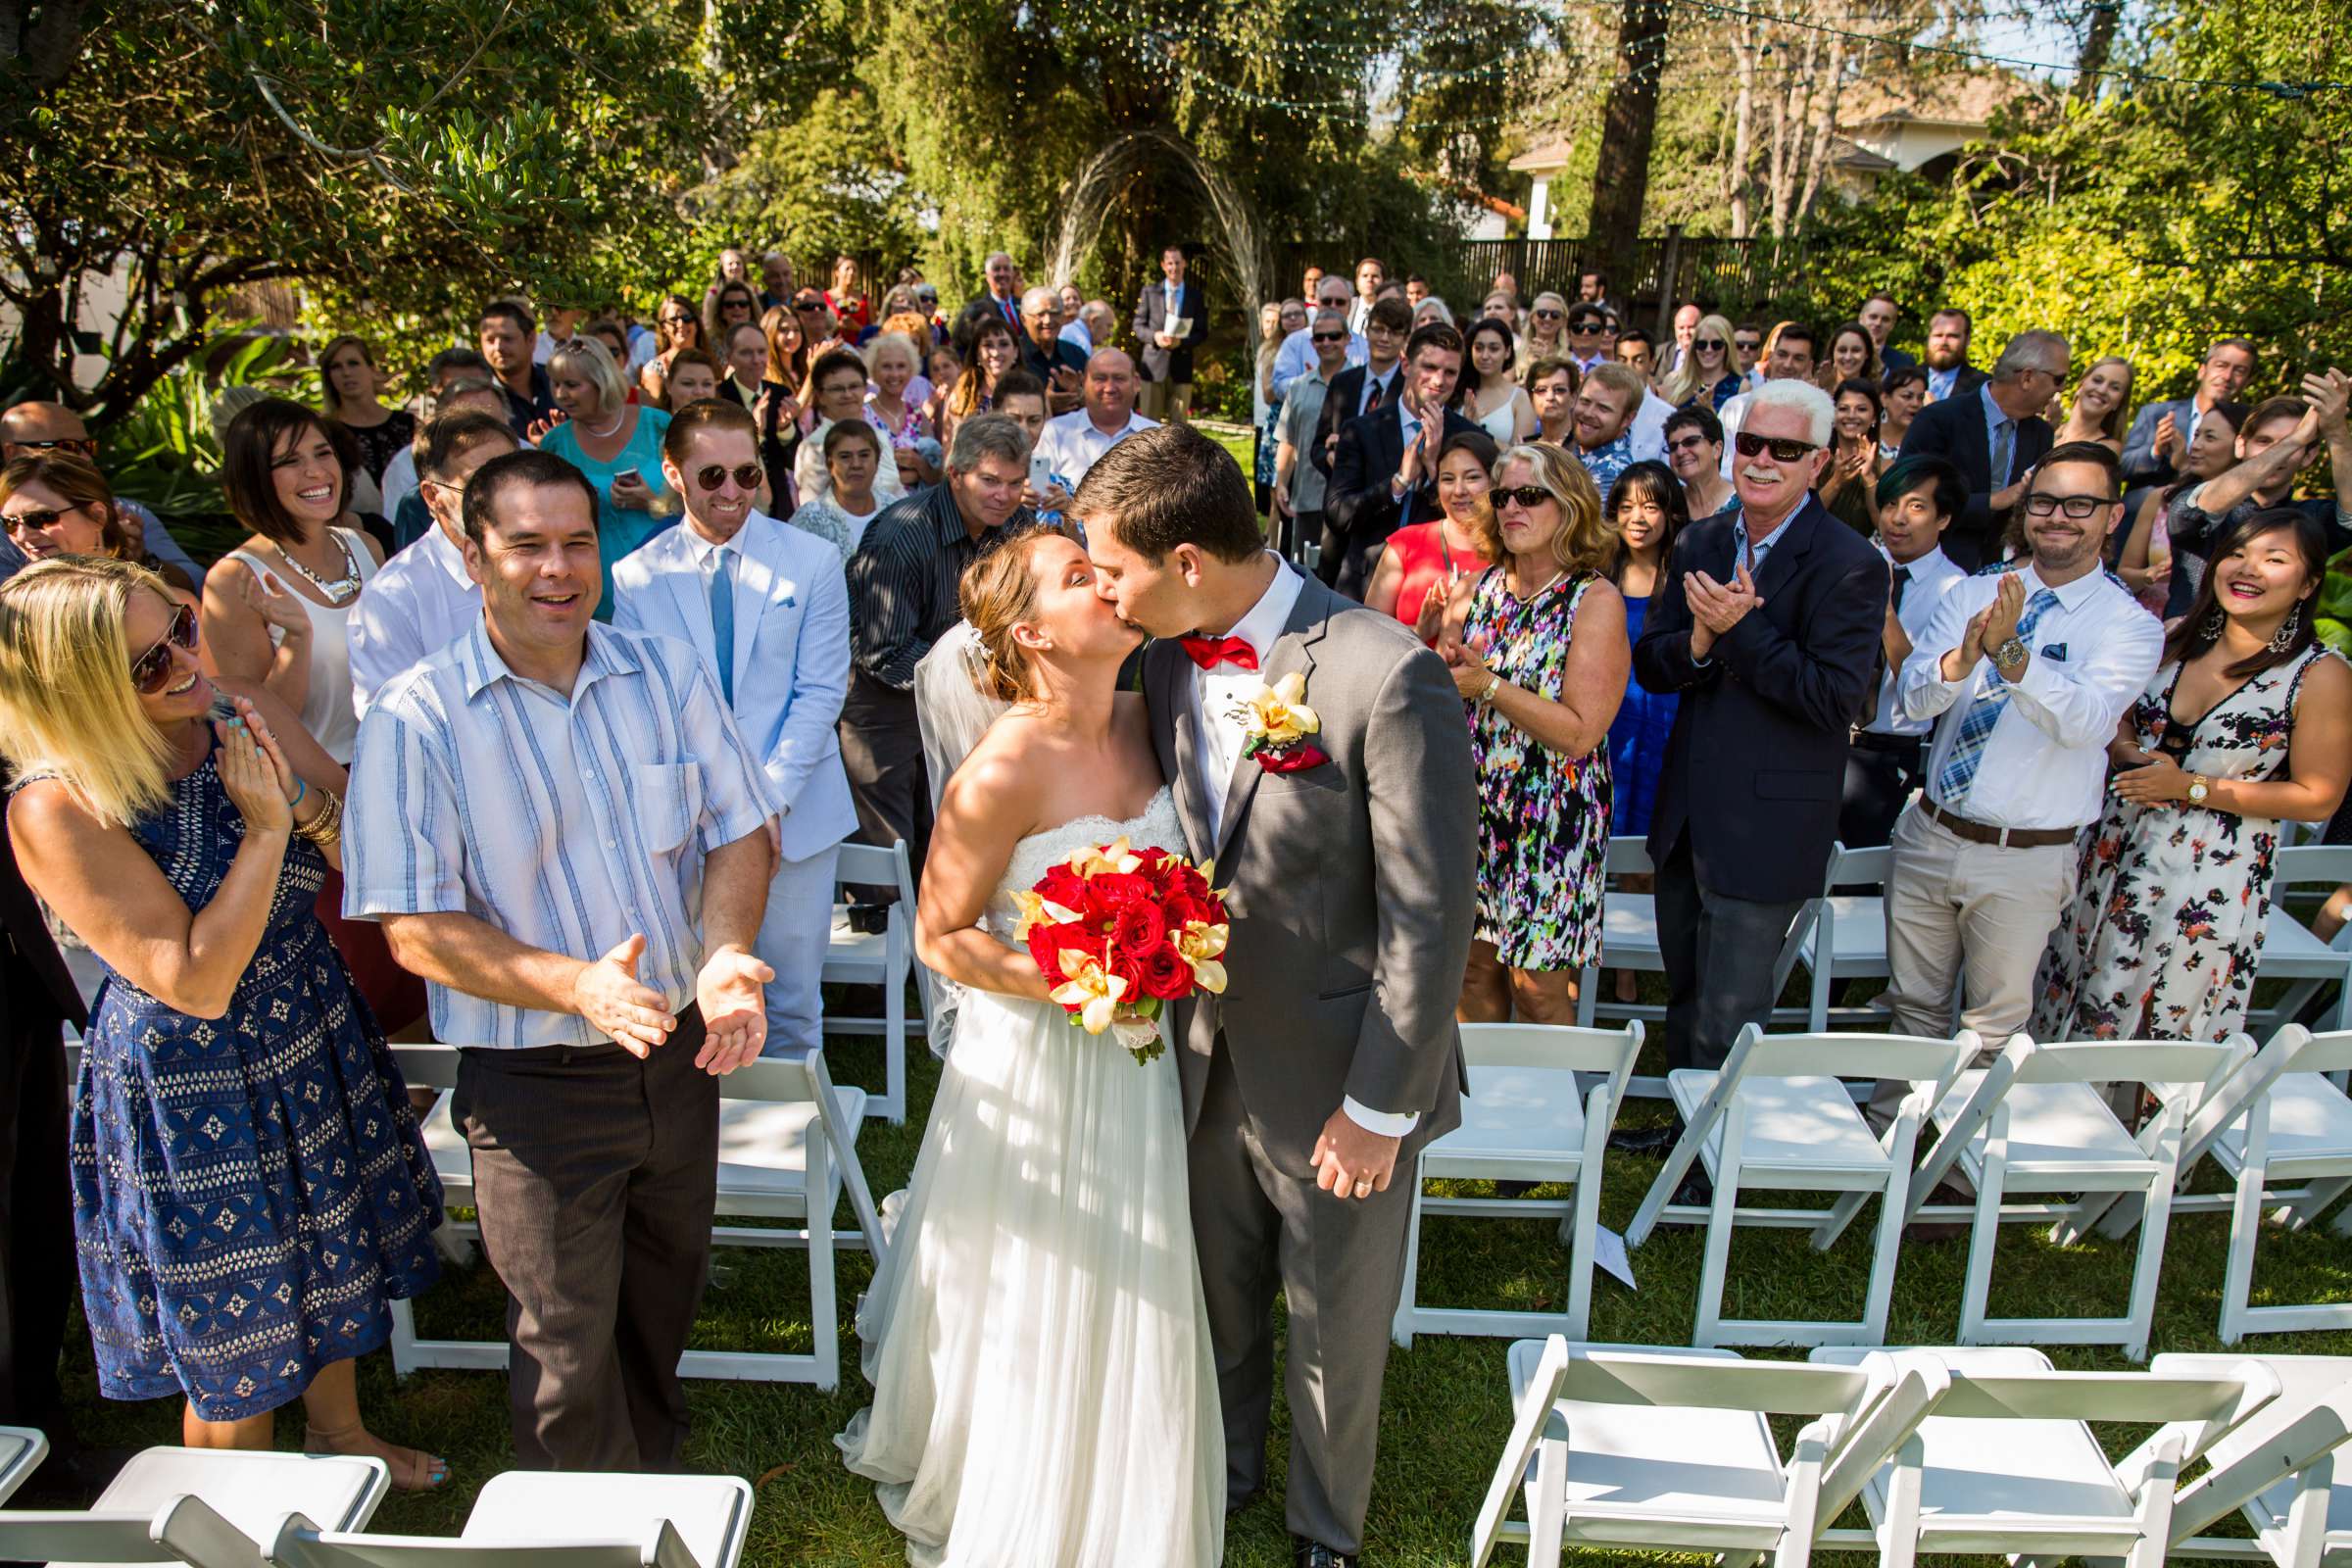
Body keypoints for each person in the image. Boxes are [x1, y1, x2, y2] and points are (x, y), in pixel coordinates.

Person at [1082, 422, 1475, 1568]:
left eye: (1113, 568)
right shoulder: (1161, 661)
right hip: (1203, 1052)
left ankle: (1324, 1529)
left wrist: (1382, 1106)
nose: (1103, 592)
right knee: (1218, 1290)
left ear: (1188, 563)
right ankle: (1226, 1473)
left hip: (1341, 1073)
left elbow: (1430, 913)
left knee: (1333, 1321)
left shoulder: (1381, 670)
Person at [346, 448, 777, 1472]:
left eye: (576, 541)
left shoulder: (662, 668)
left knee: (663, 1290)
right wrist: (578, 983)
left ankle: (652, 1484)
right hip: (536, 1084)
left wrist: (722, 956)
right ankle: (578, 1521)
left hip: (681, 1054)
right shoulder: (417, 716)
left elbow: (740, 829)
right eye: (527, 545)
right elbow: (414, 927)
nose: (558, 568)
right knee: (563, 1339)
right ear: (469, 550)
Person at [0, 557, 443, 1482]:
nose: (184, 665)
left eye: (181, 631)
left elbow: (360, 835)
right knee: (234, 1313)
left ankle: (340, 1436)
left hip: (305, 1012)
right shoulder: (57, 806)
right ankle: (233, 1512)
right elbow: (191, 978)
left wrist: (304, 808)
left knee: (331, 1243)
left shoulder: (235, 712)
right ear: (81, 693)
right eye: (146, 665)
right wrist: (269, 830)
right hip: (191, 1070)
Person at [835, 517, 1224, 1565]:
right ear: (1032, 633)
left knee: (1142, 1252)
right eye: (1074, 577)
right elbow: (940, 934)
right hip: (1043, 1063)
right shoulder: (1001, 767)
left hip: (1141, 1055)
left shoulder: (1162, 716)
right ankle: (1029, 1478)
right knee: (1047, 1265)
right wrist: (1078, 976)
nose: (1104, 585)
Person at [1878, 443, 2165, 1098]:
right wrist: (1963, 655)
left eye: (2079, 504)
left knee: (1992, 1029)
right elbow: (1917, 699)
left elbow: (2088, 723)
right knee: (1912, 1004)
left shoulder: (2128, 624)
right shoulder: (1972, 592)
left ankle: (1963, 1166)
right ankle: (1892, 1135)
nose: (2058, 516)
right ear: (2025, 509)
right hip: (1932, 832)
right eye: (2043, 501)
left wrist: (2008, 653)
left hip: (2024, 856)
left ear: (2112, 516)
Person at [1633, 379, 1887, 1073]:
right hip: (1688, 816)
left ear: (1820, 461)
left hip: (1768, 826)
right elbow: (1655, 662)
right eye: (1751, 443)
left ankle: (1711, 1169)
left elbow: (1835, 699)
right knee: (1684, 994)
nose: (1762, 460)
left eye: (1787, 448)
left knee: (1730, 1016)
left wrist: (1740, 631)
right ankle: (1688, 1146)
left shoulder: (1852, 564)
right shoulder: (1703, 541)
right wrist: (1700, 646)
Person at [2034, 508, 2352, 1043]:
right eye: (2237, 553)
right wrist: (2129, 749)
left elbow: (2318, 797)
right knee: (2073, 984)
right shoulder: (2176, 635)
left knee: (2159, 1020)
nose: (2248, 569)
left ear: (2308, 583)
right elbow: (2118, 716)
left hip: (2210, 873)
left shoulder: (2320, 675)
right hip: (2113, 845)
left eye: (2274, 560)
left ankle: (2138, 1126)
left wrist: (2192, 789)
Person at [613, 400, 857, 1057]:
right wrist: (718, 805)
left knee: (792, 994)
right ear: (673, 473)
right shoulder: (636, 575)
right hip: (690, 819)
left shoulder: (811, 561)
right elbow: (652, 703)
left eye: (747, 476)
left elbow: (820, 692)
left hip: (797, 812)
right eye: (713, 476)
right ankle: (716, 1142)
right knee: (704, 992)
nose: (732, 492)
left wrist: (764, 801)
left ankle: (804, 1145)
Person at [1444, 443, 1627, 1025]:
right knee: (1470, 974)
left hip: (1552, 817)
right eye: (1502, 497)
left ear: (1568, 505)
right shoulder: (1475, 591)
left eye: (1530, 495)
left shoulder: (1594, 600)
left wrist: (1489, 687)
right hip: (1473, 809)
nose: (1511, 508)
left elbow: (1580, 734)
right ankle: (1486, 1113)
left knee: (1539, 989)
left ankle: (1555, 1114)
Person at [843, 414, 1036, 871]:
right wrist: (976, 682)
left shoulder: (1018, 526)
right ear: (954, 474)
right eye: (990, 481)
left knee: (953, 843)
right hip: (887, 712)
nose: (1003, 496)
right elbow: (881, 650)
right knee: (888, 857)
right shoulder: (901, 533)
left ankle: (941, 938)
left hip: (980, 704)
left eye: (1015, 483)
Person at [201, 399, 385, 763]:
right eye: (291, 461)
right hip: (321, 787)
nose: (316, 472)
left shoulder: (366, 548)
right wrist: (296, 641)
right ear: (254, 477)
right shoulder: (234, 579)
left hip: (402, 761)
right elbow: (259, 726)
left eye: (322, 454)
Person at [347, 410, 514, 719]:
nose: (503, 497)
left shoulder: (549, 560)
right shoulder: (393, 598)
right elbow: (392, 725)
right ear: (433, 496)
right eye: (480, 483)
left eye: (514, 477)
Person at [1838, 456, 1969, 849]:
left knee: (1851, 884)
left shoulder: (1956, 590)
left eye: (1915, 506)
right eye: (1890, 503)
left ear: (1943, 518)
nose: (1896, 518)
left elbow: (1924, 689)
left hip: (1885, 755)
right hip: (1826, 740)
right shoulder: (1857, 562)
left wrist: (1886, 611)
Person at [2159, 376, 2352, 605]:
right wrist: (2296, 439)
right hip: (2191, 636)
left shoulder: (2312, 518)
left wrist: (2337, 430)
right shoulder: (2199, 500)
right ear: (2241, 445)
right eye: (2264, 441)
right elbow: (2200, 509)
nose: (2275, 453)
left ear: (2309, 456)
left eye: (2292, 444)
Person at [1324, 321, 1479, 599]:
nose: (1438, 380)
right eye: (1429, 367)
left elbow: (1477, 524)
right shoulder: (1361, 430)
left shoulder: (1471, 438)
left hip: (1435, 589)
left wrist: (1434, 471)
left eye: (1450, 372)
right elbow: (1338, 514)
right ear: (1406, 366)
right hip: (1364, 584)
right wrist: (1399, 483)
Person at [1896, 328, 2070, 569]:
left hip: (1999, 576)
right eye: (2059, 379)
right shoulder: (1939, 419)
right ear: (2027, 377)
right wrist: (1994, 500)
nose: (2060, 390)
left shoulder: (2040, 433)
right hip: (1930, 570)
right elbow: (1906, 499)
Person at [534, 336, 676, 612]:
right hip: (595, 597)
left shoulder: (657, 425)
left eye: (572, 385)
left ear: (602, 382)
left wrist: (652, 501)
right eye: (555, 383)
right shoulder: (554, 444)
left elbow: (695, 500)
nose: (561, 394)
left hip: (667, 581)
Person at [0, 402, 206, 590]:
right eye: (67, 446)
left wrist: (142, 561)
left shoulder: (127, 512)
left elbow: (197, 585)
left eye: (88, 447)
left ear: (98, 514)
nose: (86, 457)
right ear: (11, 452)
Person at [1604, 461, 1690, 843]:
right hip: (1606, 723)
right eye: (1626, 507)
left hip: (1665, 724)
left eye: (1650, 506)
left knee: (1649, 849)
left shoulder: (1687, 580)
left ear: (1671, 513)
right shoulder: (1595, 575)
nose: (1637, 518)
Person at [0, 452, 196, 598]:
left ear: (97, 515)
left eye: (41, 518)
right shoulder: (15, 614)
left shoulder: (165, 605)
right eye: (9, 523)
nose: (22, 536)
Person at [1364, 427, 1498, 638]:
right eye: (1447, 479)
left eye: (1472, 478)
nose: (1459, 490)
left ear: (1494, 483)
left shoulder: (1510, 551)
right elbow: (1370, 632)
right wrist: (1418, 632)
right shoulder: (1406, 543)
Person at [2116, 398, 2245, 616]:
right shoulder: (2162, 499)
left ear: (2240, 446)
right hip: (2150, 624)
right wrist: (2150, 574)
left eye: (2210, 437)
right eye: (2196, 435)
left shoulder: (2248, 512)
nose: (2196, 445)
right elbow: (2123, 575)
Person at [2121, 336, 2260, 493]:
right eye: (2221, 366)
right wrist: (2156, 451)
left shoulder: (2248, 425)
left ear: (2247, 381)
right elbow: (2119, 469)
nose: (2227, 376)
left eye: (2239, 371)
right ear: (2202, 371)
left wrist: (2183, 464)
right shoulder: (2156, 414)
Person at [1272, 310, 1350, 565]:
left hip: (1348, 500)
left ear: (1347, 339)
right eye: (1320, 337)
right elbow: (1288, 439)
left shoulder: (1361, 385)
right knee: (1305, 573)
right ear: (1312, 342)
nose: (1326, 342)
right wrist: (1282, 482)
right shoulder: (1299, 386)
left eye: (1334, 336)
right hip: (1306, 499)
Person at [1312, 295, 1412, 482]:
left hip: (1387, 498)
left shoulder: (1410, 390)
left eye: (1394, 332)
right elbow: (1317, 446)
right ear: (1366, 330)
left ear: (1406, 338)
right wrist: (1328, 456)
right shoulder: (1342, 382)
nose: (1384, 338)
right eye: (1378, 329)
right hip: (1340, 495)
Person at [794, 347, 907, 512]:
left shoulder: (879, 437)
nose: (847, 394)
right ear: (820, 396)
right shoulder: (813, 447)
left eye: (854, 386)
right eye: (837, 389)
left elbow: (897, 491)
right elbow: (812, 508)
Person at [1034, 347, 1157, 493]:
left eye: (1119, 378)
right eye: (1100, 378)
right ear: (1084, 382)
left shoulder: (1157, 438)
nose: (1110, 388)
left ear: (1136, 382)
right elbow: (1036, 488)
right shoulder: (1053, 432)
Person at [318, 335, 416, 491]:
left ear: (371, 369)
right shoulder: (325, 431)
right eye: (336, 366)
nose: (346, 372)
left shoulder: (408, 423)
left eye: (353, 363)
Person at [787, 416, 889, 563]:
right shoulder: (808, 520)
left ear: (877, 459)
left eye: (864, 455)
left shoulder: (895, 510)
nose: (856, 464)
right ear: (830, 463)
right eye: (845, 457)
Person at [1716, 322, 1817, 466]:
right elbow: (1721, 464)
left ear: (1809, 366)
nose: (1788, 364)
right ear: (1770, 357)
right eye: (1782, 355)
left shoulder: (1814, 416)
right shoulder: (1735, 407)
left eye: (1798, 358)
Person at [1134, 244, 1210, 424]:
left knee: (1179, 427)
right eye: (1169, 263)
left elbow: (1202, 332)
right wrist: (1155, 337)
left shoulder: (1195, 296)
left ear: (1184, 264)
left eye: (1177, 263)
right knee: (1148, 426)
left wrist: (1182, 343)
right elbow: (1138, 325)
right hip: (1153, 367)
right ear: (1163, 265)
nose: (1173, 267)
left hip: (1181, 367)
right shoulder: (1150, 292)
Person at [863, 330, 939, 491]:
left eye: (901, 366)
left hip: (916, 510)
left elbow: (936, 477)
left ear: (911, 370)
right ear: (873, 371)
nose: (894, 374)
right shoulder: (863, 415)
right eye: (886, 366)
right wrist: (902, 475)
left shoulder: (917, 415)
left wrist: (917, 463)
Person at [1270, 274, 1366, 400]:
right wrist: (1311, 382)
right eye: (1327, 301)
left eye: (1340, 302)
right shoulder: (1294, 342)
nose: (1333, 306)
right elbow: (1279, 387)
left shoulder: (1364, 346)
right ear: (1317, 302)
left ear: (1349, 306)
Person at [1566, 363, 1644, 508]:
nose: (1588, 413)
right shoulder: (1572, 455)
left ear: (1627, 419)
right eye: (1585, 401)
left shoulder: (1613, 476)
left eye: (1603, 408)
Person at [1817, 376, 1886, 536]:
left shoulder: (1885, 465)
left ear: (1874, 417)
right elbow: (1804, 518)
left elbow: (1883, 527)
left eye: (1861, 409)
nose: (1851, 415)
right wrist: (1836, 481)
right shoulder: (1816, 459)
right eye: (1843, 408)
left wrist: (1868, 477)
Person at [479, 300, 558, 437]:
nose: (499, 348)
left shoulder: (558, 381)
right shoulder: (479, 397)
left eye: (507, 339)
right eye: (490, 340)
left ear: (531, 339)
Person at [941, 312, 1019, 446]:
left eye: (1003, 344)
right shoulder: (961, 396)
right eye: (988, 345)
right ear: (977, 354)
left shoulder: (1031, 392)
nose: (995, 352)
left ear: (1016, 352)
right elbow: (950, 451)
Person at [1460, 317, 1535, 444]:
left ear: (1507, 352)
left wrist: (1478, 433)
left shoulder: (1520, 398)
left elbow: (1520, 455)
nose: (1485, 356)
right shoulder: (1458, 390)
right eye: (1479, 348)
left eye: (1493, 349)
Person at [1016, 286, 1087, 414]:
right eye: (1040, 314)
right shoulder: (1013, 356)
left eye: (1054, 313)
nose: (1048, 321)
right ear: (1023, 319)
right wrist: (1044, 405)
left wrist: (1079, 395)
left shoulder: (1076, 354)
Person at [1664, 405, 1736, 521]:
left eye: (1691, 442)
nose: (1680, 452)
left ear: (1717, 449)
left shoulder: (1744, 503)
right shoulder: (1669, 507)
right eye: (1673, 447)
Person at [1657, 313, 1741, 412]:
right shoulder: (1673, 382)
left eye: (1716, 344)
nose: (1708, 350)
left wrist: (1709, 412)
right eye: (1702, 344)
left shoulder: (1740, 386)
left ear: (1728, 346)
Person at [2053, 355, 2134, 452]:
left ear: (2119, 403)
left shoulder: (2106, 449)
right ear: (2081, 385)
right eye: (2097, 380)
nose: (2102, 390)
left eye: (2115, 388)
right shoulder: (2048, 431)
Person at [638, 294, 706, 405]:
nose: (680, 324)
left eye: (687, 318)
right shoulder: (654, 370)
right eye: (673, 319)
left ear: (696, 322)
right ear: (663, 327)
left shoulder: (714, 360)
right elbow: (657, 413)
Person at [1920, 307, 1984, 404]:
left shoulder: (1983, 387)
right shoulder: (1904, 378)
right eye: (1938, 335)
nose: (1943, 342)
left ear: (1967, 340)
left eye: (1953, 336)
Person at [1526, 355, 1579, 446]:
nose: (1550, 397)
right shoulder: (1525, 448)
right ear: (1531, 399)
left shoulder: (1584, 447)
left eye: (1559, 390)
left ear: (1573, 398)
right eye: (1541, 390)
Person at [1879, 365, 1928, 461]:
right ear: (1884, 398)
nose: (1915, 404)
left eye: (1920, 398)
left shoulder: (1924, 443)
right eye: (1907, 396)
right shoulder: (1865, 434)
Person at [704, 279, 760, 361]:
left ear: (751, 309)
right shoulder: (710, 345)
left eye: (742, 304)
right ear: (721, 311)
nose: (736, 308)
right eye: (729, 305)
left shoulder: (763, 339)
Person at [1818, 322, 1882, 394]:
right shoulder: (1814, 391)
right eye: (1842, 350)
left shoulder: (1877, 394)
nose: (1848, 357)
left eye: (1856, 350)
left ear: (1867, 354)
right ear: (1832, 353)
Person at [1861, 292, 1915, 373]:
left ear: (1892, 325)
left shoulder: (1904, 363)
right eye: (1873, 317)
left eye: (1885, 319)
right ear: (1861, 319)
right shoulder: (1840, 355)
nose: (1878, 323)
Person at [825, 254, 869, 334]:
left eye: (854, 270)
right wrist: (837, 326)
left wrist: (858, 328)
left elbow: (875, 332)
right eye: (847, 269)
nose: (851, 272)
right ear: (837, 272)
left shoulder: (865, 299)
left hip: (860, 345)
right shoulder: (825, 298)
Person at [1563, 302, 1611, 374]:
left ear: (1603, 333)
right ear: (1568, 333)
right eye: (1578, 327)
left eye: (1593, 328)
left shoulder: (1614, 372)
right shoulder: (1558, 370)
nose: (1586, 333)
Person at [1348, 254, 1387, 334]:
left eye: (1375, 276)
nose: (1369, 280)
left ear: (1384, 282)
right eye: (1365, 276)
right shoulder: (1347, 305)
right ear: (1357, 281)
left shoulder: (1390, 310)